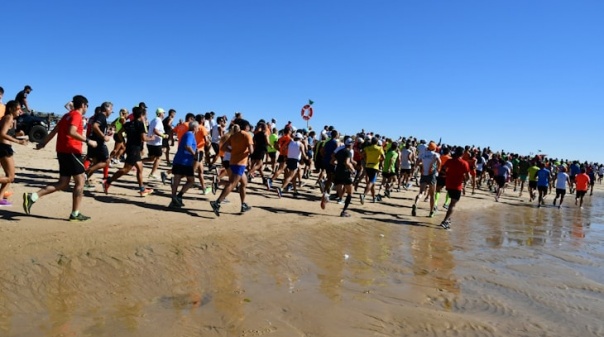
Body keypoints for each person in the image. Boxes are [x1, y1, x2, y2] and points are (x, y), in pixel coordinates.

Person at [23, 95, 98, 221]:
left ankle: (33, 197)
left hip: (62, 151)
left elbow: (54, 131)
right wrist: (88, 140)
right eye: (87, 106)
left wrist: (43, 143)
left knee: (63, 183)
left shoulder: (66, 115)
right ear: (84, 105)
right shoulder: (76, 115)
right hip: (71, 151)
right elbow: (71, 131)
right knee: (80, 182)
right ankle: (75, 214)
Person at [103, 107, 156, 197]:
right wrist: (151, 138)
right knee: (126, 169)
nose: (145, 117)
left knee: (140, 168)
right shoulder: (140, 124)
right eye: (145, 115)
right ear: (141, 115)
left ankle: (142, 189)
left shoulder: (129, 124)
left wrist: (124, 141)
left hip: (131, 148)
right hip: (134, 149)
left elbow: (119, 132)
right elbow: (143, 138)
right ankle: (108, 182)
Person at [210, 119, 254, 216]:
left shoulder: (234, 136)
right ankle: (217, 202)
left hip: (233, 161)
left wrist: (234, 150)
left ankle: (243, 204)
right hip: (240, 163)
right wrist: (242, 151)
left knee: (244, 183)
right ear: (245, 127)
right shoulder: (247, 135)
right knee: (232, 184)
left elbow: (223, 148)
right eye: (248, 126)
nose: (249, 128)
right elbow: (251, 151)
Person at [0, 101, 29, 206]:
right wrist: (18, 141)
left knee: (9, 176)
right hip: (3, 148)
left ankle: (0, 198)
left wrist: (18, 134)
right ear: (11, 108)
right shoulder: (8, 117)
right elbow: (2, 134)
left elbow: (7, 133)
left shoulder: (10, 118)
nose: (20, 111)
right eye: (18, 109)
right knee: (11, 177)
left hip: (5, 147)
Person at [169, 121, 199, 208]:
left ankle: (175, 198)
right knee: (191, 180)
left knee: (177, 180)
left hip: (179, 160)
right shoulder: (190, 134)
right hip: (185, 161)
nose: (198, 130)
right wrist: (194, 154)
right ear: (194, 128)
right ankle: (179, 196)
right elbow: (187, 146)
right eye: (197, 128)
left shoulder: (187, 134)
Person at [84, 101, 114, 189]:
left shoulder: (98, 116)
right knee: (106, 161)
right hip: (98, 143)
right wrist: (103, 136)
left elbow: (95, 126)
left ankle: (84, 180)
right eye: (111, 109)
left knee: (96, 163)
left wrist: (105, 133)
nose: (111, 112)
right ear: (106, 108)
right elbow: (95, 126)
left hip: (93, 142)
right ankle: (86, 173)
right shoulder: (101, 116)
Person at [439, 146, 470, 229]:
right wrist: (464, 181)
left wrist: (448, 175)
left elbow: (443, 169)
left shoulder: (449, 161)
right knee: (452, 204)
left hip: (449, 184)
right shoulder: (464, 163)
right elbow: (468, 177)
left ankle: (448, 219)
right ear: (462, 154)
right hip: (457, 186)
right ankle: (445, 221)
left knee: (451, 203)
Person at [411, 141, 441, 217]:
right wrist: (438, 169)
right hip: (431, 175)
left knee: (421, 192)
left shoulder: (423, 154)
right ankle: (431, 212)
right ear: (434, 148)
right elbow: (439, 162)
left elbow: (417, 163)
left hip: (424, 174)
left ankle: (415, 204)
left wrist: (421, 166)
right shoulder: (435, 154)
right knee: (432, 194)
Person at [332, 137, 356, 217]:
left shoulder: (340, 151)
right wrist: (352, 170)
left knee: (339, 191)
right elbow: (347, 162)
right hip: (345, 173)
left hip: (338, 171)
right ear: (350, 144)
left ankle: (327, 197)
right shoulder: (348, 152)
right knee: (350, 193)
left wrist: (337, 164)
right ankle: (344, 211)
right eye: (352, 143)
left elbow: (332, 160)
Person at [144, 108, 168, 180]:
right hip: (156, 143)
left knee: (152, 159)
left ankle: (137, 162)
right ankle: (152, 174)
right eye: (163, 113)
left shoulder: (154, 120)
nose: (164, 114)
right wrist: (164, 136)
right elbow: (155, 130)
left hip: (151, 142)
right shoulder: (158, 120)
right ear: (160, 113)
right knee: (158, 158)